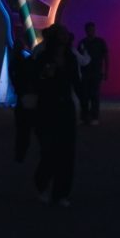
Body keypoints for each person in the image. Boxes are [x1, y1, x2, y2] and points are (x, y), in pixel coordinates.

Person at [33, 25, 79, 206]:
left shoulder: (71, 58)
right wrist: (44, 75)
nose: (64, 37)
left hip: (65, 107)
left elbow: (76, 82)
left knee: (67, 152)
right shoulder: (43, 57)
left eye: (66, 33)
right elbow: (34, 79)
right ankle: (42, 184)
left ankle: (61, 193)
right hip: (47, 107)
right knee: (48, 150)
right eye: (61, 33)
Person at [76, 22, 108, 125]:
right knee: (84, 96)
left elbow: (106, 57)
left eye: (92, 29)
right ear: (86, 31)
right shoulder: (83, 42)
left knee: (94, 95)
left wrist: (106, 71)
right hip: (86, 73)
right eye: (89, 29)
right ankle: (85, 116)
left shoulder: (100, 42)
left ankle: (94, 117)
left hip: (95, 72)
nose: (91, 31)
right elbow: (78, 59)